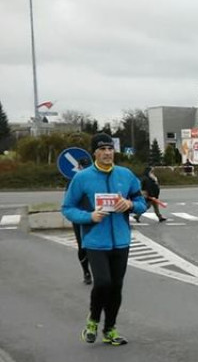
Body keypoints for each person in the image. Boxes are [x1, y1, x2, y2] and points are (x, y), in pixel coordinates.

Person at [61, 133, 148, 345]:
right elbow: (67, 208)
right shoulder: (82, 178)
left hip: (121, 241)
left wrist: (130, 205)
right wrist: (89, 216)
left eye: (110, 149)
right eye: (102, 149)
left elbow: (141, 201)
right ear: (95, 153)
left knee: (116, 287)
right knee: (102, 282)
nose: (107, 153)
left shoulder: (125, 175)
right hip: (95, 241)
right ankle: (92, 321)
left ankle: (110, 329)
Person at [66, 156, 93, 285]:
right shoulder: (75, 181)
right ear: (79, 167)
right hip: (80, 218)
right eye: (84, 166)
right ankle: (86, 272)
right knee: (83, 246)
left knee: (99, 246)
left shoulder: (98, 179)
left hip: (98, 216)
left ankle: (99, 271)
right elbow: (69, 203)